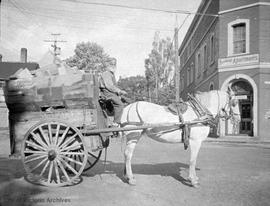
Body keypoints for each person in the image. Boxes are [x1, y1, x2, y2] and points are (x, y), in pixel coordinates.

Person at [99, 58, 127, 126]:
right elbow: (109, 86)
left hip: (110, 92)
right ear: (107, 65)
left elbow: (113, 86)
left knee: (125, 100)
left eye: (114, 64)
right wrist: (119, 91)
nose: (113, 65)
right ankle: (116, 123)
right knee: (119, 104)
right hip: (106, 93)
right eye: (111, 64)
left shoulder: (111, 74)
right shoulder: (106, 74)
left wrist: (120, 93)